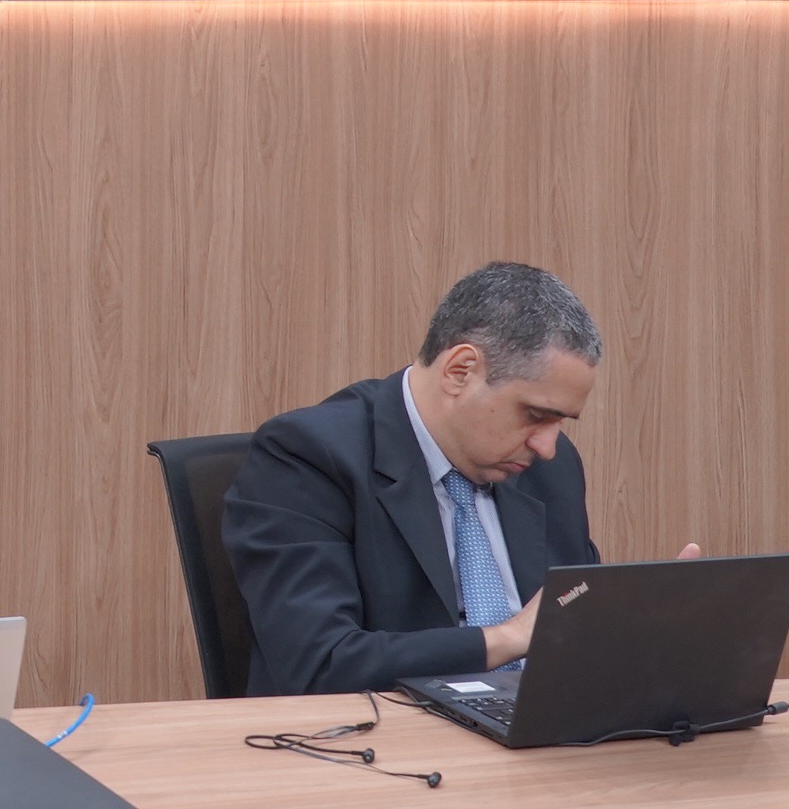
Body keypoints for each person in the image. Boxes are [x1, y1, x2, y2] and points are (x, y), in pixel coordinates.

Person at [225, 262, 699, 698]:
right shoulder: (307, 456)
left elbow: (570, 628)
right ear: (460, 371)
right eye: (536, 415)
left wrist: (637, 630)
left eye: (561, 422)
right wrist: (509, 638)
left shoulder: (551, 470)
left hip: (541, 738)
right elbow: (319, 664)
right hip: (386, 745)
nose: (548, 446)